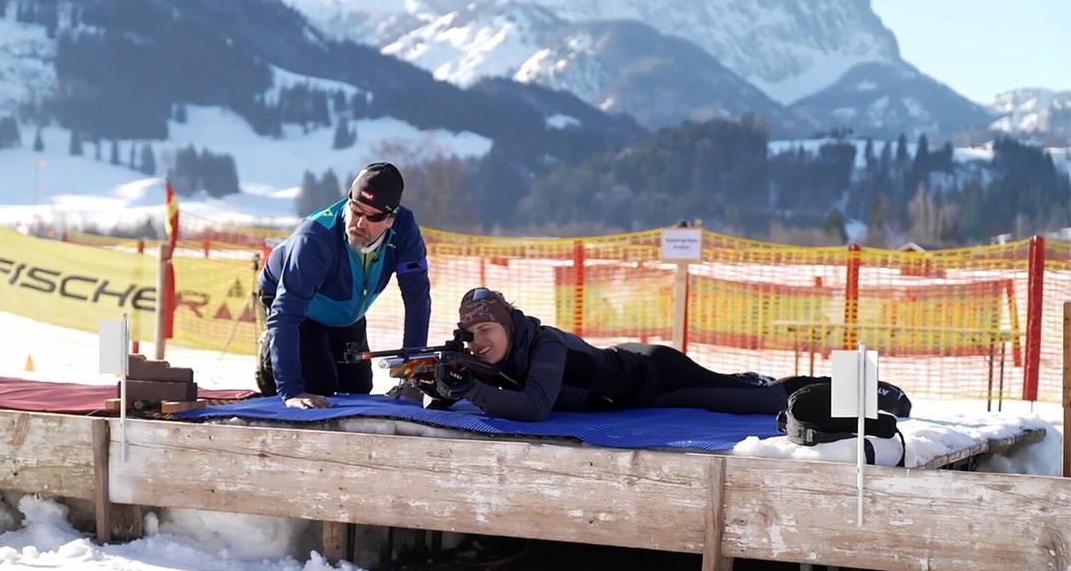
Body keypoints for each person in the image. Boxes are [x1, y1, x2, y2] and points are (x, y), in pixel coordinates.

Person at [428, 287, 907, 422]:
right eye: (471, 337)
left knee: (757, 405)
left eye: (487, 330)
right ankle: (742, 377)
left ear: (508, 324)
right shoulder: (494, 358)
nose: (479, 343)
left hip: (655, 376)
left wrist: (471, 388)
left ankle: (867, 390)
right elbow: (449, 397)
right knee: (734, 388)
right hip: (633, 393)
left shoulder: (546, 343)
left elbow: (534, 407)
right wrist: (442, 382)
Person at [256, 162, 431, 409]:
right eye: (356, 210)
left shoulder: (405, 229)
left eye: (373, 217)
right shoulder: (314, 239)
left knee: (358, 389)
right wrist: (291, 391)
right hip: (297, 307)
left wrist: (412, 375)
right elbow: (285, 314)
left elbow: (417, 300)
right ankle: (270, 359)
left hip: (346, 312)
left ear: (391, 219)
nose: (360, 224)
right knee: (318, 387)